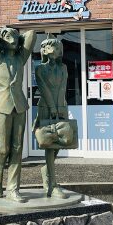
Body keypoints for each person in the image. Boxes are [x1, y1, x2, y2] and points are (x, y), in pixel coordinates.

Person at [0, 27, 36, 202]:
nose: (13, 40)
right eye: (9, 37)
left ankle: (13, 188)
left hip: (20, 106)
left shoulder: (20, 58)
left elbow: (31, 35)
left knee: (17, 148)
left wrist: (17, 36)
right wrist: (3, 34)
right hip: (3, 106)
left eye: (15, 37)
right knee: (3, 149)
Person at [34, 36, 69, 199]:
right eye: (50, 47)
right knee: (49, 143)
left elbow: (63, 88)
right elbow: (44, 89)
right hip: (46, 107)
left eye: (57, 47)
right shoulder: (40, 69)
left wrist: (61, 108)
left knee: (60, 141)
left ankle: (46, 170)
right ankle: (52, 185)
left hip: (61, 106)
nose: (54, 50)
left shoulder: (63, 68)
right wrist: (53, 108)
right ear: (44, 51)